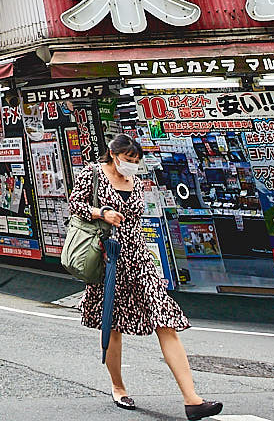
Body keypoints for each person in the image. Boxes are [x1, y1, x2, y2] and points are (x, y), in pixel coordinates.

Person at [70, 134, 220, 419]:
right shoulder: (91, 174)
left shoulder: (136, 183)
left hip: (139, 259)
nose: (132, 166)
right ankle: (118, 386)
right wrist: (102, 213)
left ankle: (192, 399)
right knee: (112, 326)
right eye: (128, 160)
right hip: (108, 260)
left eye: (136, 161)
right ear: (113, 154)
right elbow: (75, 205)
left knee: (166, 320)